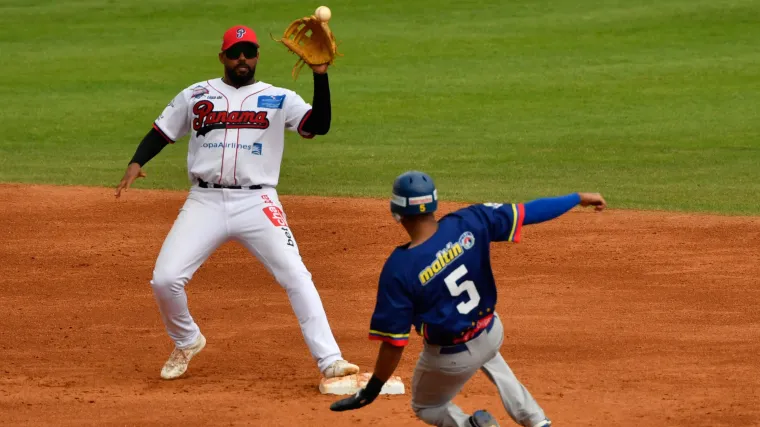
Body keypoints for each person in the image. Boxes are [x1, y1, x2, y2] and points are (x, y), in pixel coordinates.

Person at [114, 25, 359, 382]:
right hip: (204, 201)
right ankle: (187, 339)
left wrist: (320, 77)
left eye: (248, 51)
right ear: (223, 57)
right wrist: (137, 163)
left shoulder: (279, 98)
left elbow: (319, 125)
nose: (241, 58)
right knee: (165, 279)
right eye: (234, 52)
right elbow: (161, 132)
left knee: (296, 275)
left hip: (257, 202)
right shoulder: (197, 94)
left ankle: (330, 360)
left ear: (257, 56)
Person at [330, 171, 607, 426]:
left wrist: (373, 388)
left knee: (426, 405)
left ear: (397, 212)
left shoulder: (399, 269)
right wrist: (577, 198)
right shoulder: (470, 220)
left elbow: (394, 343)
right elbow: (528, 212)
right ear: (434, 203)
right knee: (488, 352)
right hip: (491, 331)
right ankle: (536, 421)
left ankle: (468, 425)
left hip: (451, 359)